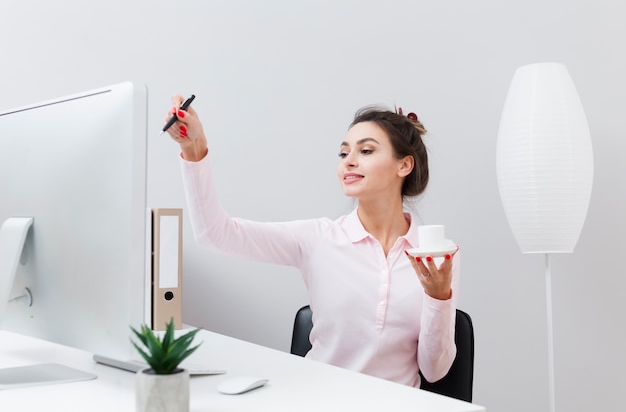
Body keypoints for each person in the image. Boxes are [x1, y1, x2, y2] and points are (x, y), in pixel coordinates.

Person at [163, 95, 460, 388]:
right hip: (319, 400)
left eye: (366, 151)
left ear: (403, 165)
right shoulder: (318, 239)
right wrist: (194, 149)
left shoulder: (437, 254)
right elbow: (215, 234)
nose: (350, 162)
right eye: (344, 154)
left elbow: (434, 371)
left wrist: (438, 297)